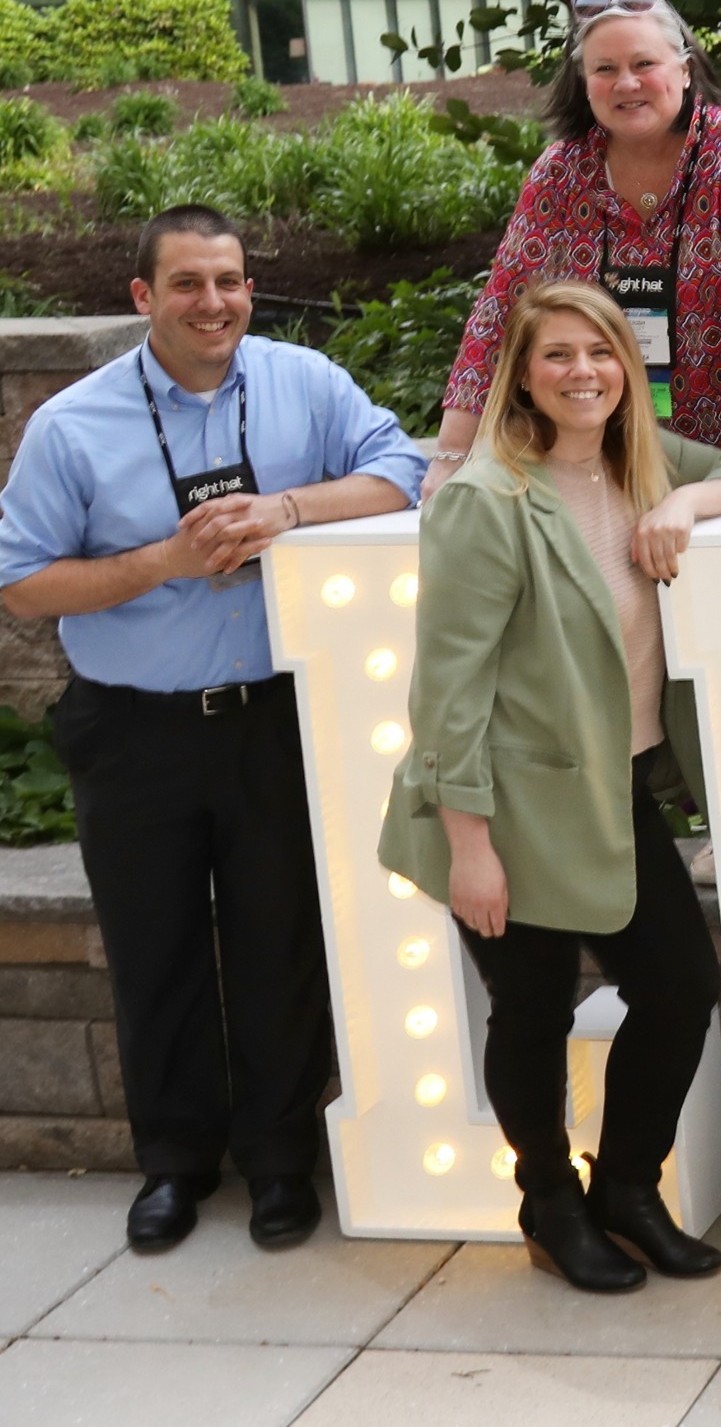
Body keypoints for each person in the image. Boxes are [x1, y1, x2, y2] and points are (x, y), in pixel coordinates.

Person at [0, 206, 422, 1250]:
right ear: (143, 296)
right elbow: (21, 582)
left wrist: (287, 510)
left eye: (229, 280)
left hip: (273, 721)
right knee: (156, 951)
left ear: (249, 289)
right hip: (131, 732)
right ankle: (174, 1164)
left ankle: (279, 1162)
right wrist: (164, 561)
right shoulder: (72, 424)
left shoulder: (304, 384)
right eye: (187, 283)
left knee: (282, 945)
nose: (213, 302)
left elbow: (403, 471)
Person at [379, 283, 721, 1292]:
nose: (582, 371)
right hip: (507, 806)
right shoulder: (486, 499)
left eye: (600, 350)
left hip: (614, 787)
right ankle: (548, 1200)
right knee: (534, 1008)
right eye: (557, 354)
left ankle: (626, 1188)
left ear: (627, 366)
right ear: (521, 375)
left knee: (680, 987)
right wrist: (469, 847)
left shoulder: (642, 461)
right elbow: (448, 690)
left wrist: (681, 503)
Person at [435, 0, 721, 510]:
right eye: (605, 69)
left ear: (685, 70)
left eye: (644, 63)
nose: (626, 83)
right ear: (585, 84)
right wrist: (451, 456)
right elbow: (499, 311)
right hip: (620, 462)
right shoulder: (560, 175)